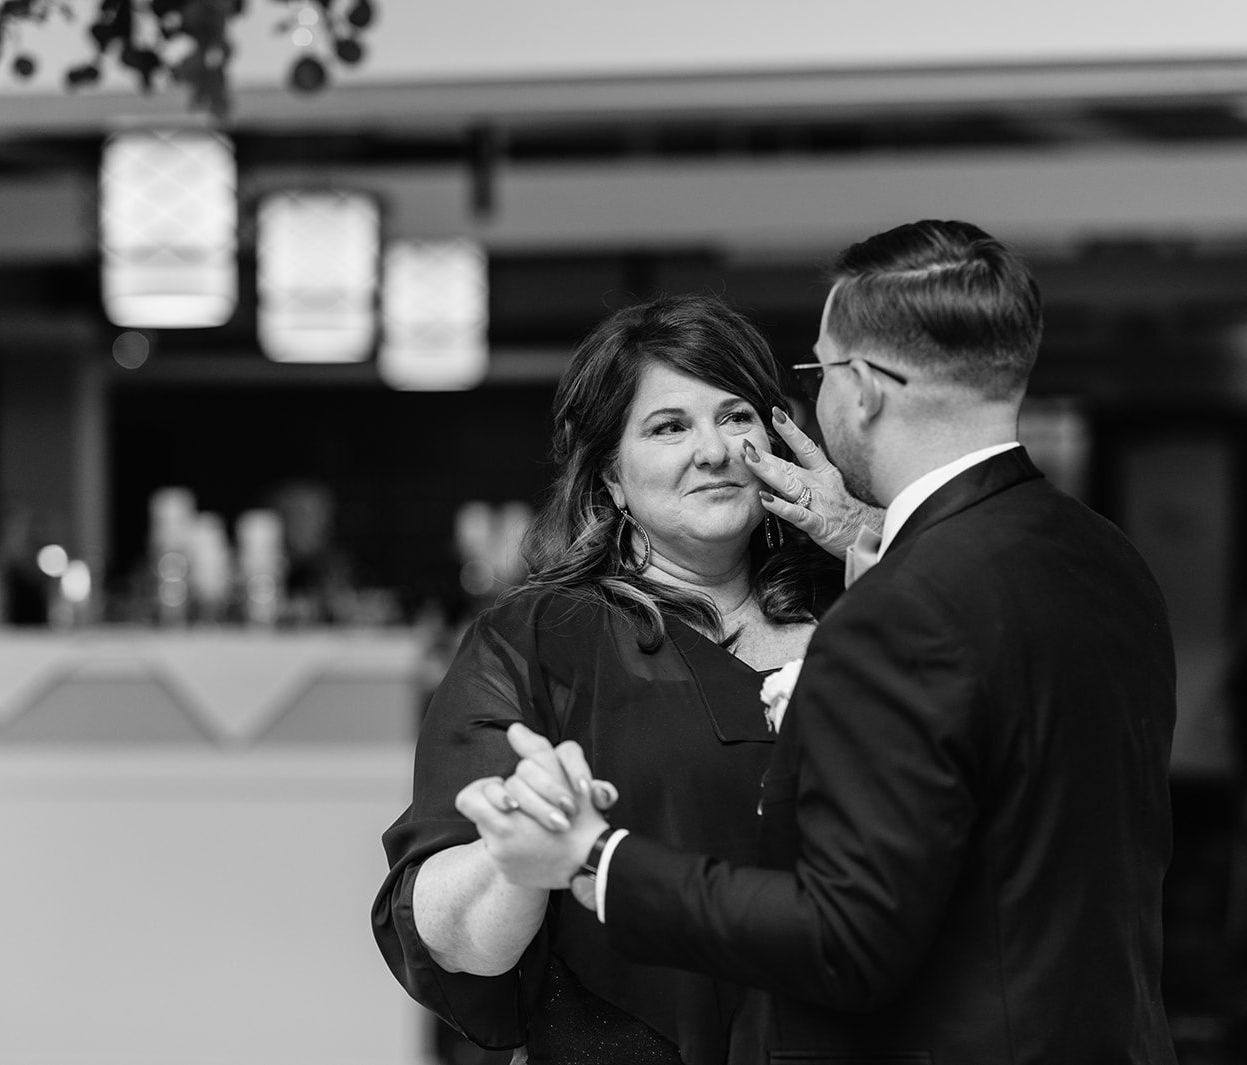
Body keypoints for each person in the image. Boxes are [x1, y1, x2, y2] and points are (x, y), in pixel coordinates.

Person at [464, 221, 1180, 1064]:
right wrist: (857, 532)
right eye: (668, 428)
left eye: (818, 371)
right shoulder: (1107, 559)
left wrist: (597, 856)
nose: (721, 446)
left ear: (866, 388)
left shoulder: (893, 610)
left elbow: (846, 933)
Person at [372, 293, 873, 1065]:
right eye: (670, 426)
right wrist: (516, 857)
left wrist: (863, 540)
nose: (714, 449)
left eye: (736, 416)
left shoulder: (867, 608)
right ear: (610, 476)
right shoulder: (541, 640)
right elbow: (452, 938)